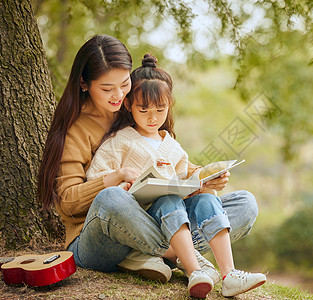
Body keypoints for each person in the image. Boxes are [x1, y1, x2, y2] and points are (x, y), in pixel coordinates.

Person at [37, 34, 260, 294]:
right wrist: (112, 179)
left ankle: (155, 254)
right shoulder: (76, 129)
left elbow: (166, 160)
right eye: (107, 89)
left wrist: (203, 178)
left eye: (124, 84)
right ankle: (182, 257)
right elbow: (66, 204)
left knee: (245, 204)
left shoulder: (139, 105)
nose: (118, 95)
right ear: (85, 84)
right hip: (101, 235)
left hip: (158, 215)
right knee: (112, 198)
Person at [85, 54, 266, 297]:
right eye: (144, 109)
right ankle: (194, 269)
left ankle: (229, 274)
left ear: (169, 106)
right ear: (128, 105)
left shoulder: (172, 146)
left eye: (160, 109)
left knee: (212, 201)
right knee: (160, 201)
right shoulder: (119, 141)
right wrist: (122, 182)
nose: (152, 117)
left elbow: (186, 182)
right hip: (138, 221)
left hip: (174, 218)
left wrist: (206, 181)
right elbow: (96, 181)